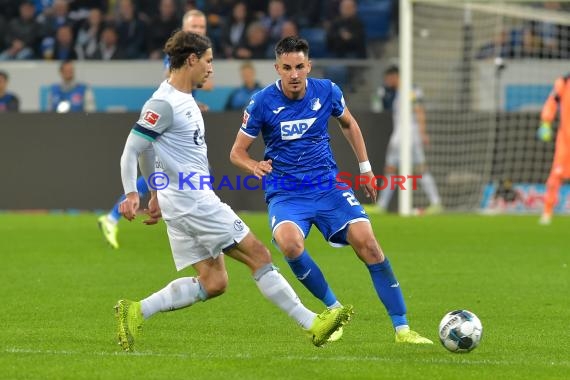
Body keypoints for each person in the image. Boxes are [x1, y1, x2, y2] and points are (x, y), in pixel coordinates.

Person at [114, 30, 353, 352]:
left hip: (177, 201)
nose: (212, 68)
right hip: (194, 201)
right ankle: (313, 322)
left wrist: (155, 192)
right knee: (260, 256)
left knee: (214, 283)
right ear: (192, 60)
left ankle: (136, 310)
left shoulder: (181, 99)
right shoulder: (165, 102)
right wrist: (133, 193)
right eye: (209, 61)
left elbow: (149, 150)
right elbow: (132, 149)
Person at [230, 36, 432, 345]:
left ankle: (403, 329)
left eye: (299, 67)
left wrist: (365, 169)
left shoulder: (327, 91)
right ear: (277, 68)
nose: (294, 74)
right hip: (286, 192)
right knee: (289, 244)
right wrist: (253, 165)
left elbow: (349, 124)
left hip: (328, 186)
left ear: (308, 66)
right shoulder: (261, 102)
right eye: (287, 68)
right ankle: (333, 310)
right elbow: (237, 153)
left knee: (369, 244)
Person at [98, 9, 209, 248]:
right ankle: (114, 215)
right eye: (194, 27)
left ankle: (121, 213)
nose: (199, 30)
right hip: (169, 120)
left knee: (165, 170)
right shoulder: (179, 59)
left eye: (202, 27)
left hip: (182, 117)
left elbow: (206, 84)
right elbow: (175, 81)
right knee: (165, 169)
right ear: (183, 28)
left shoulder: (200, 55)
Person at [370, 65, 442, 214]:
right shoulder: (397, 93)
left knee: (418, 168)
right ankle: (382, 205)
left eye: (388, 78)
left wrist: (422, 132)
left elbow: (419, 110)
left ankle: (436, 202)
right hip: (400, 135)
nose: (387, 82)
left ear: (395, 77)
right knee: (393, 168)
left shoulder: (411, 90)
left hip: (410, 135)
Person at [537, 73, 570, 225]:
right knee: (555, 176)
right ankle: (547, 211)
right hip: (565, 140)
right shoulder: (563, 82)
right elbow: (552, 101)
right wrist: (546, 122)